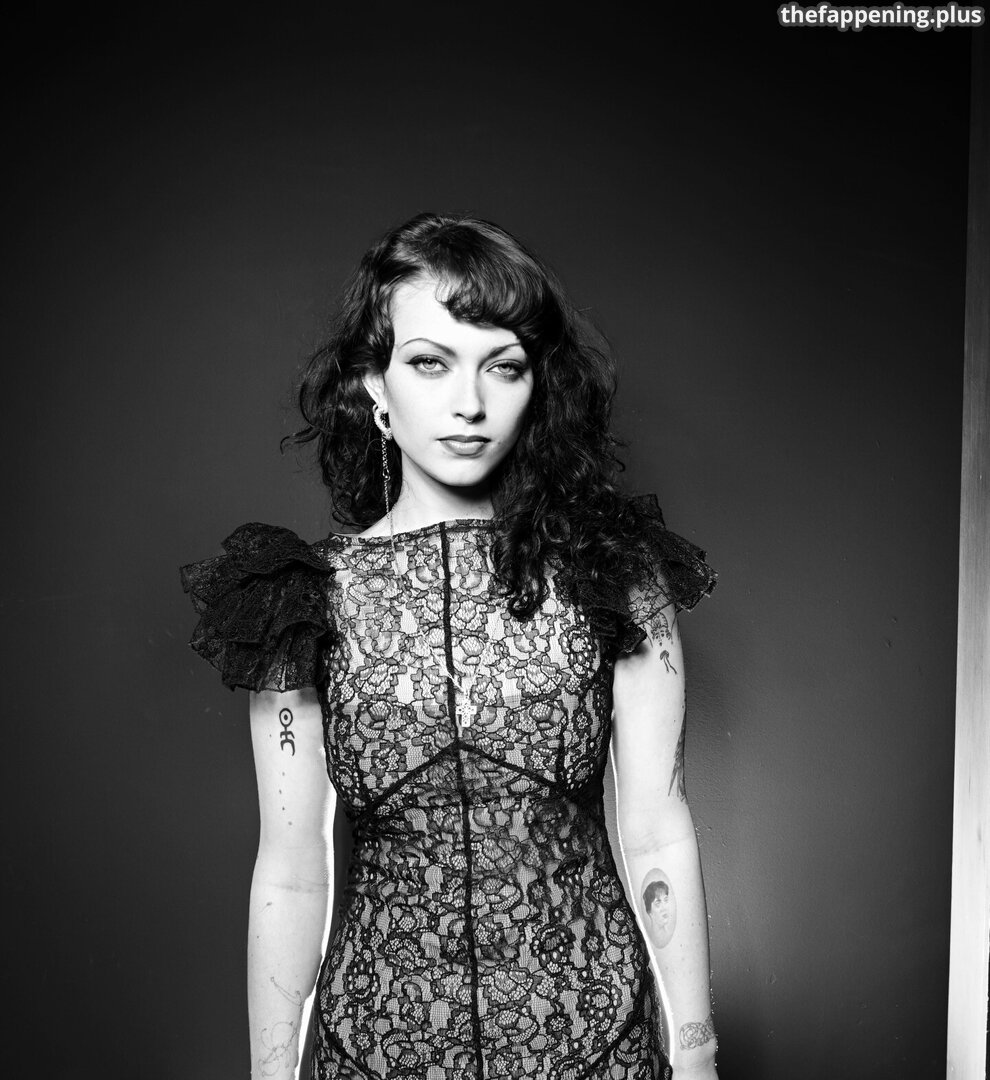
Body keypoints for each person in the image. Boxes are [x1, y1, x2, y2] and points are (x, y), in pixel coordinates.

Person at [181, 212, 719, 1080]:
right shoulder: (296, 602)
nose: (469, 402)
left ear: (536, 386)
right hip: (376, 1049)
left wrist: (697, 1058)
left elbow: (658, 832)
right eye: (431, 362)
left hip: (594, 1044)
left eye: (502, 366)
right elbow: (291, 872)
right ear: (375, 384)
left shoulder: (616, 576)